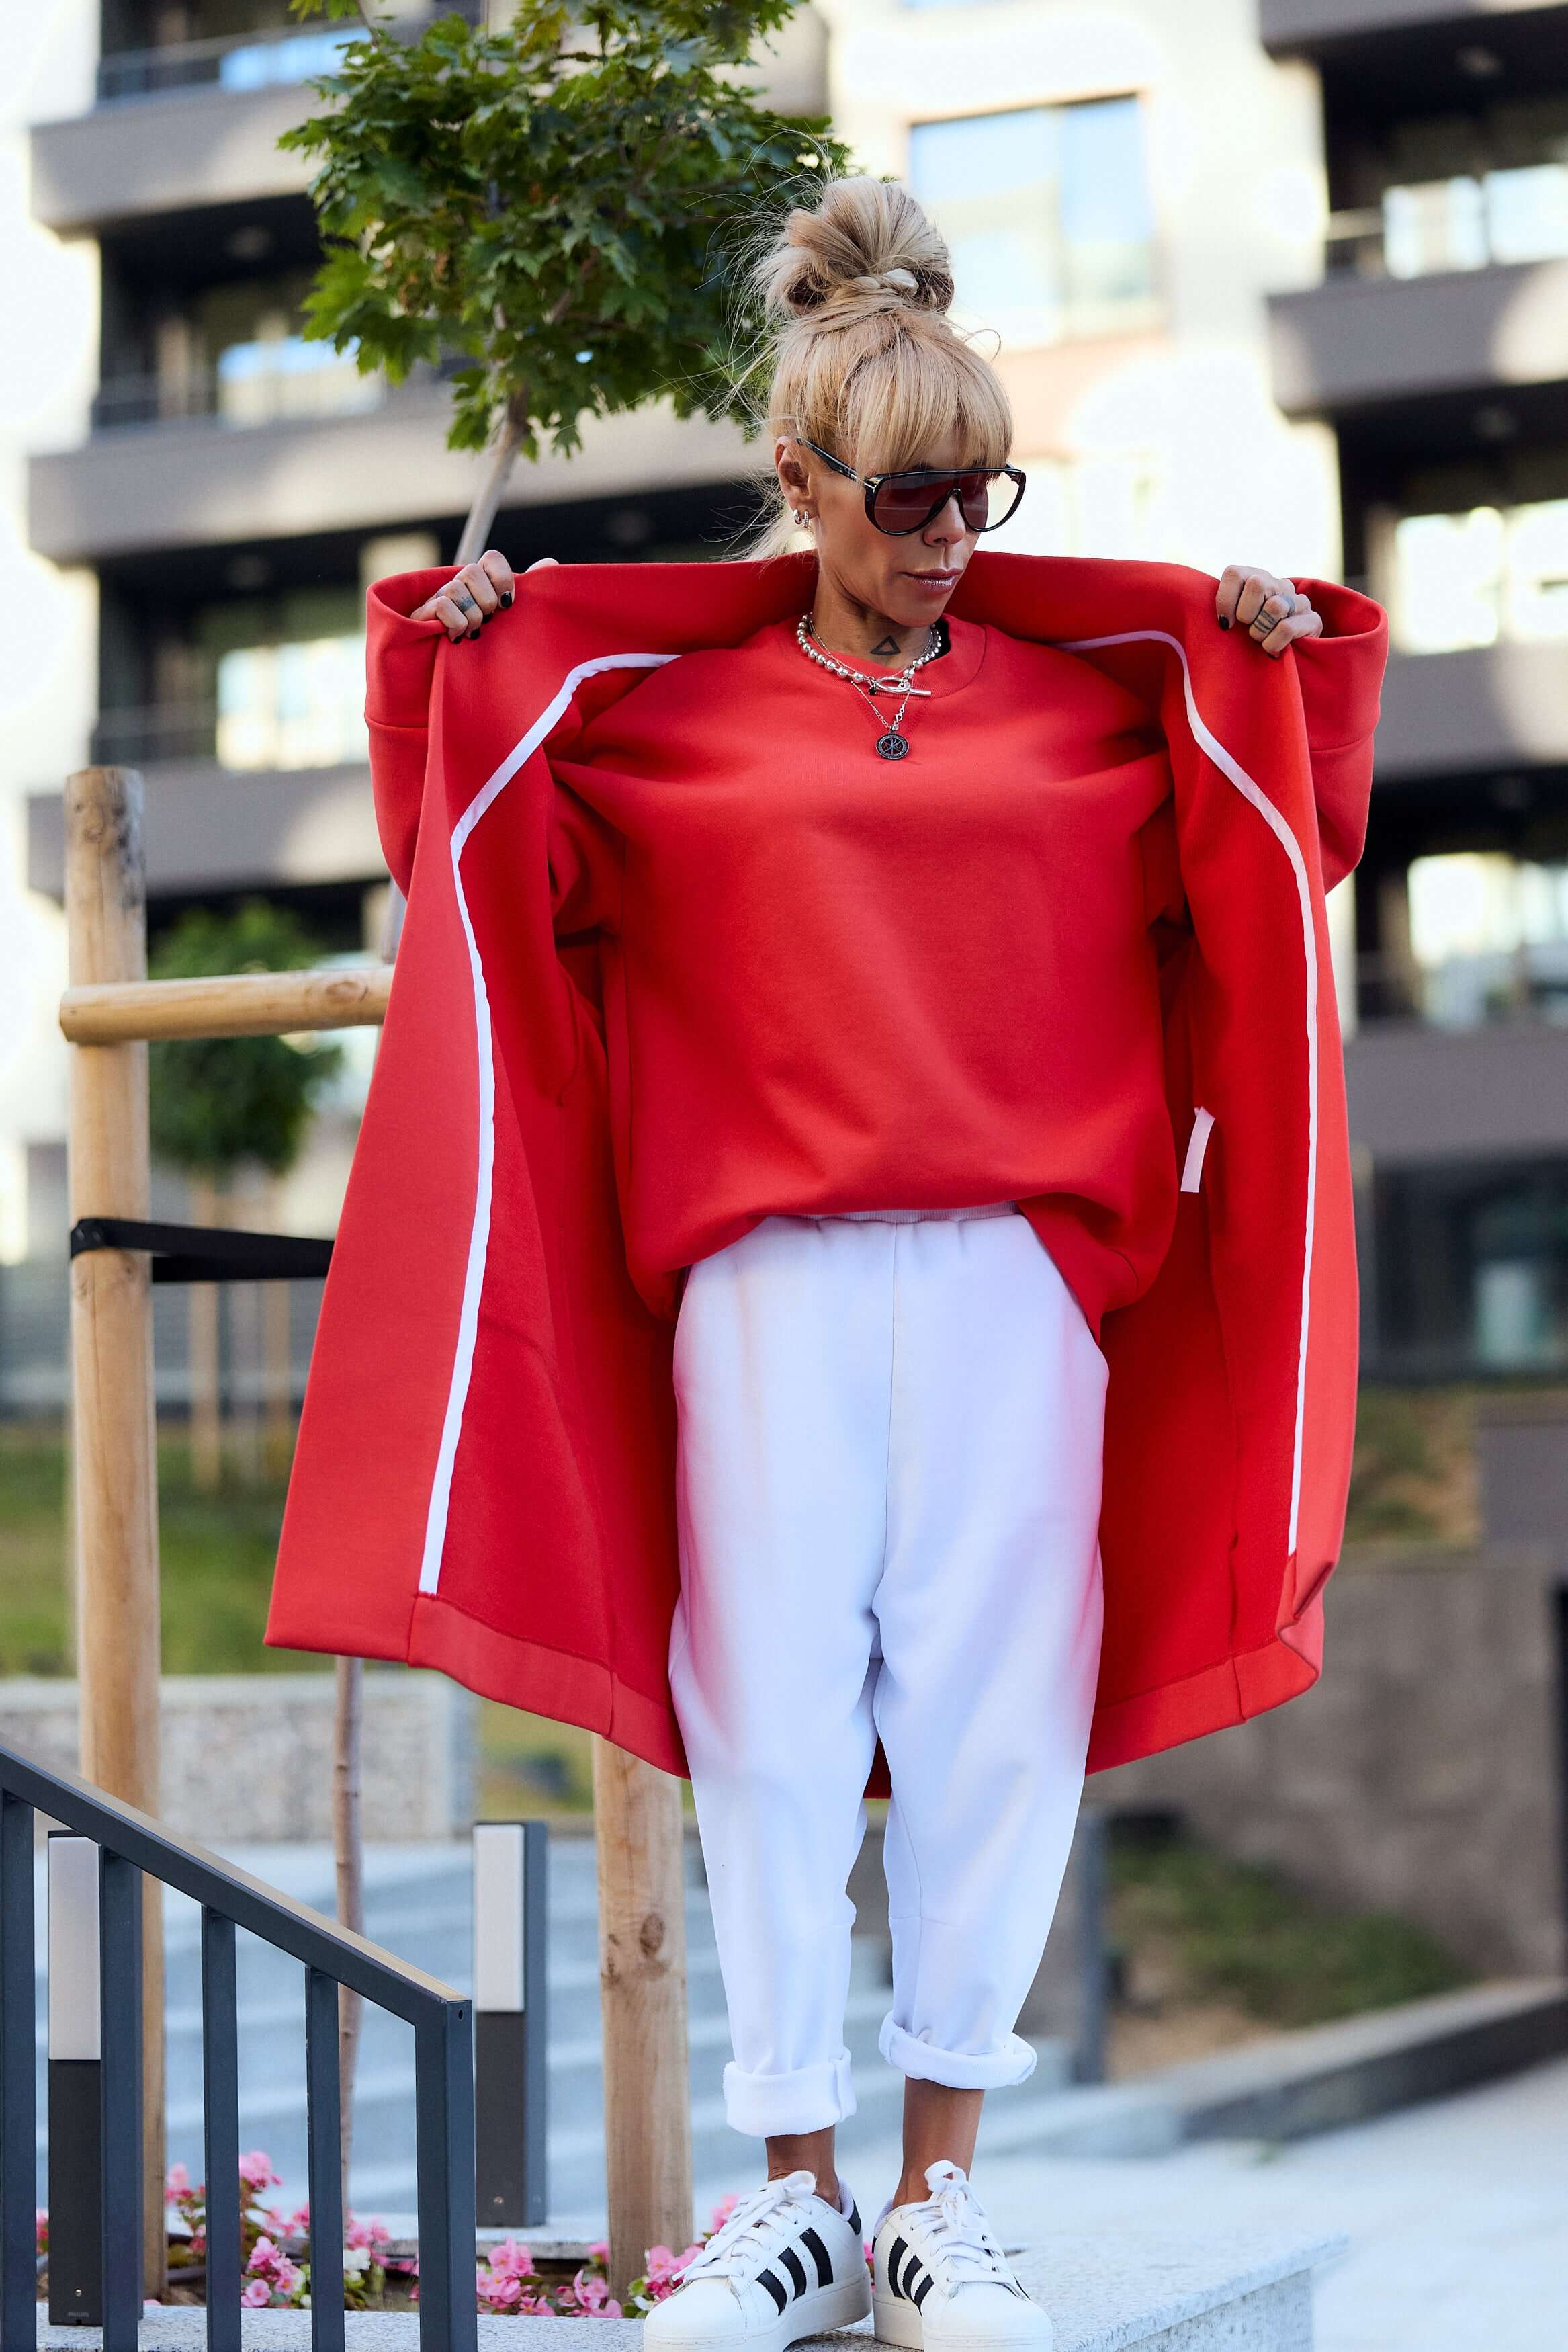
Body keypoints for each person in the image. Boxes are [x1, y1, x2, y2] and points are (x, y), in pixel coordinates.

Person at [267, 179, 1385, 2352]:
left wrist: (1263, 653)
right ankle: (791, 2198)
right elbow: (467, 842)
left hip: (1014, 1283)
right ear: (798, 482)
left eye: (986, 487)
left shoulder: (1090, 702)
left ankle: (939, 2206)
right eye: (906, 491)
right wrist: (452, 642)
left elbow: (1292, 826)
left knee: (994, 1730)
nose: (953, 528)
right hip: (758, 1284)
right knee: (763, 1723)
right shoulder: (664, 722)